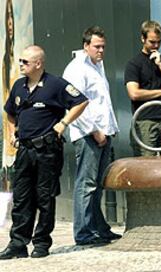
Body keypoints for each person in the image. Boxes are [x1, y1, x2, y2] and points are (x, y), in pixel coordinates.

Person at [0, 45, 88, 259]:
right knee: (21, 198)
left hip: (47, 150)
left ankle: (41, 243)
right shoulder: (19, 86)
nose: (21, 65)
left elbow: (81, 101)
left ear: (38, 64)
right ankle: (18, 244)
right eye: (20, 61)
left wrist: (64, 122)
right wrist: (12, 133)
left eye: (25, 62)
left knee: (45, 198)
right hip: (25, 150)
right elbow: (10, 113)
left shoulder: (55, 85)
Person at [63, 26, 121, 246]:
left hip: (104, 131)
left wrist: (110, 128)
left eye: (103, 46)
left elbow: (102, 101)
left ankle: (99, 228)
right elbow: (75, 104)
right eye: (97, 46)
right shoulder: (77, 68)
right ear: (86, 45)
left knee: (97, 184)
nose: (101, 50)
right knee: (86, 184)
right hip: (89, 134)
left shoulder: (98, 66)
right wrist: (94, 131)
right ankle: (83, 232)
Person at [125, 20, 161, 157]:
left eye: (159, 42)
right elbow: (134, 93)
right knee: (146, 163)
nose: (155, 46)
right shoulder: (134, 64)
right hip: (145, 120)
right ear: (142, 39)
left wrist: (160, 65)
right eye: (152, 42)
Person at [2, 0, 19, 169]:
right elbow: (6, 94)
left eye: (11, 19)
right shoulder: (6, 61)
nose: (10, 24)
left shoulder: (18, 55)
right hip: (14, 115)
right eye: (7, 19)